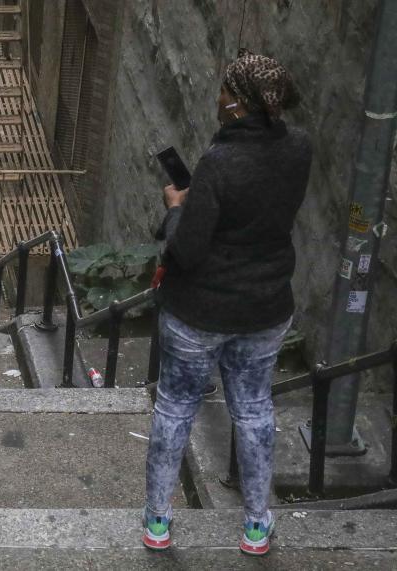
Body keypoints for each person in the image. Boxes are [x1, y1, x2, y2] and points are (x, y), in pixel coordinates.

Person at [142, 49, 311, 557]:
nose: (217, 100)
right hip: (265, 308)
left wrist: (176, 210)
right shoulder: (300, 148)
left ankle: (158, 523)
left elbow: (188, 249)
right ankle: (257, 526)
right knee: (255, 409)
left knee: (175, 409)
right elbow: (261, 213)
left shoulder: (219, 162)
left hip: (201, 313)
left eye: (224, 92)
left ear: (238, 104)